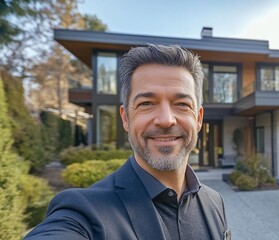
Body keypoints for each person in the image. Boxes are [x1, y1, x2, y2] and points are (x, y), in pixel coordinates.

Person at [24, 44, 230, 240]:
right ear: (125, 118)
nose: (166, 119)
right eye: (146, 103)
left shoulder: (214, 202)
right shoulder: (83, 212)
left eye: (182, 104)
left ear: (199, 118)